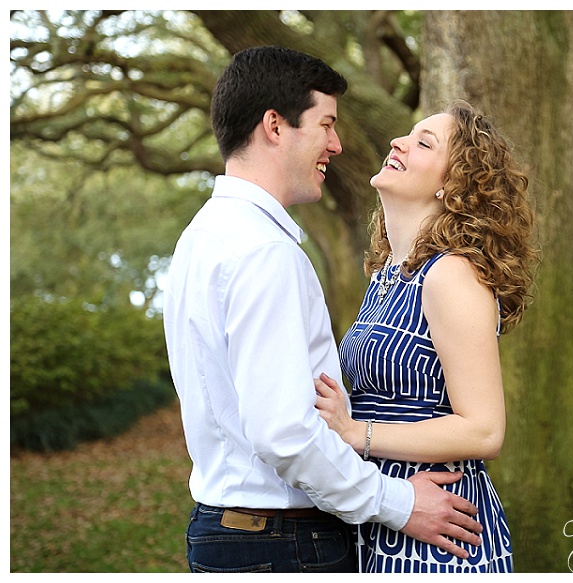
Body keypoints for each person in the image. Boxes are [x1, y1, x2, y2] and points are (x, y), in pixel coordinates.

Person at [162, 46, 483, 574]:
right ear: (275, 126)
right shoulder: (265, 252)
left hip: (232, 530)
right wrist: (398, 503)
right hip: (281, 542)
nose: (336, 144)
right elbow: (283, 433)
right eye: (326, 124)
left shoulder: (203, 236)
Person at [314, 100, 539, 572]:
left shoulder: (451, 274)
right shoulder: (388, 276)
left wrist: (356, 432)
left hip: (439, 533)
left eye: (423, 142)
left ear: (452, 185)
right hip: (384, 516)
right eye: (407, 134)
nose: (398, 142)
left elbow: (484, 429)